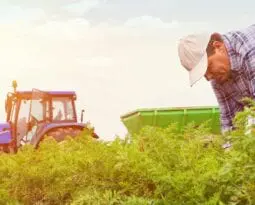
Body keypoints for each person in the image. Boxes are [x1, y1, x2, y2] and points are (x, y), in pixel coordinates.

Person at [178, 24, 255, 134]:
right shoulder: (219, 78)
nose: (209, 78)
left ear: (218, 46)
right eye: (204, 75)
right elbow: (230, 124)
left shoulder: (250, 49)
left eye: (209, 67)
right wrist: (229, 148)